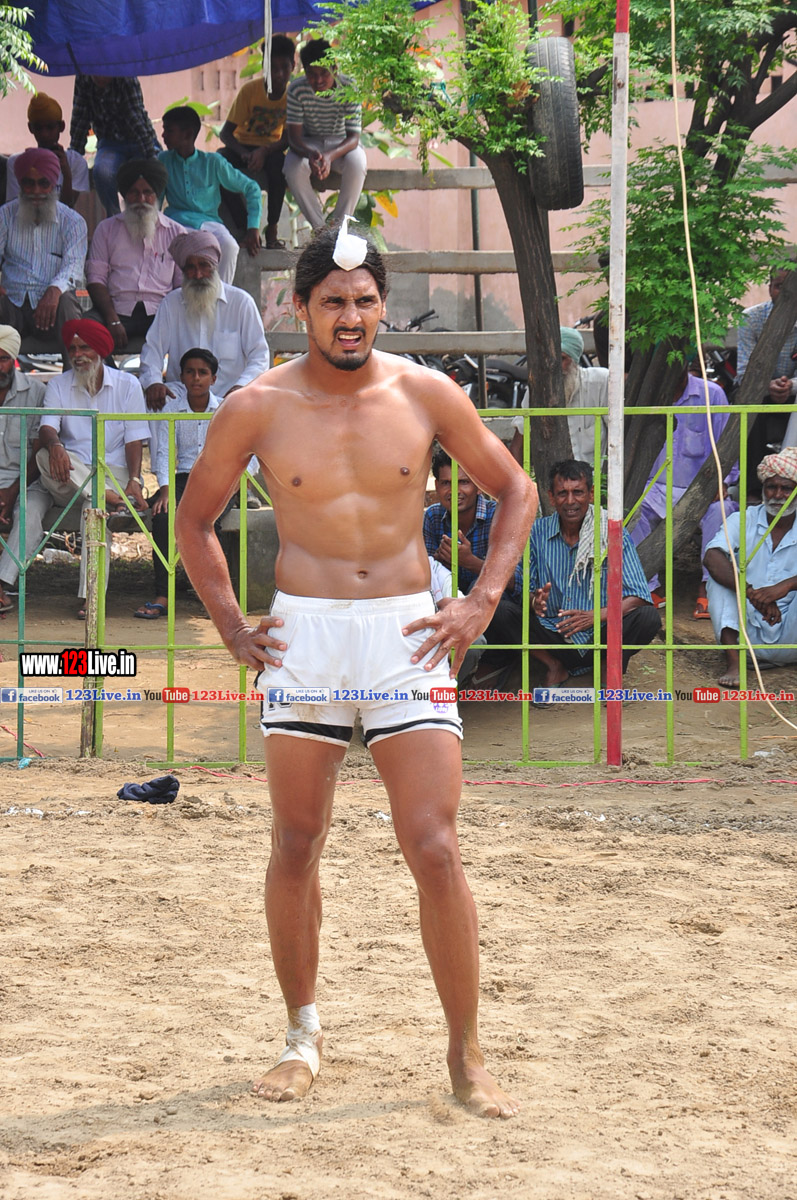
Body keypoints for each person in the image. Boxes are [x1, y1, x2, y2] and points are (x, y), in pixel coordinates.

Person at [174, 225, 537, 1118]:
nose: (350, 316)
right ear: (300, 307)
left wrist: (481, 599)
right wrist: (230, 623)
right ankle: (300, 1038)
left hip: (403, 636)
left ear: (381, 307)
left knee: (435, 845)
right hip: (305, 638)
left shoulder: (426, 392)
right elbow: (193, 519)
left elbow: (515, 489)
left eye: (364, 301)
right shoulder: (256, 405)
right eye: (333, 301)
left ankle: (466, 1053)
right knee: (297, 842)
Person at [37, 319, 147, 618]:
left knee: (93, 506)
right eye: (73, 348)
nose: (78, 354)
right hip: (70, 473)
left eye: (84, 347)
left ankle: (91, 597)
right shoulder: (58, 385)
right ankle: (111, 497)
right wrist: (55, 445)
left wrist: (135, 479)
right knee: (44, 455)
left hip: (114, 472)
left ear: (100, 350)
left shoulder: (128, 385)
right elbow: (47, 427)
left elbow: (135, 439)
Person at [528, 459, 660, 685]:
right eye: (562, 493)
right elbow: (524, 587)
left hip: (601, 636)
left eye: (578, 492)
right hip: (552, 633)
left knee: (648, 617)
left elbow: (639, 596)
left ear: (591, 494)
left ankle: (608, 664)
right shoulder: (537, 532)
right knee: (503, 610)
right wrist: (534, 601)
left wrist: (594, 616)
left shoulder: (611, 531)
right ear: (551, 497)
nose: (570, 501)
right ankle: (553, 665)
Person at [630, 369, 739, 616]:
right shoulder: (647, 392)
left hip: (701, 488)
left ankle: (709, 587)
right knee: (631, 512)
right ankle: (648, 586)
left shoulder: (712, 394)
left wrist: (721, 481)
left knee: (721, 511)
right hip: (653, 488)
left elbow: (728, 445)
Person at [135, 347, 229, 620]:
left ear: (213, 378)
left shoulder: (225, 410)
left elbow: (239, 452)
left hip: (217, 479)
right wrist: (165, 491)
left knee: (209, 521)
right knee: (163, 517)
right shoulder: (172, 408)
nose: (196, 378)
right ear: (182, 376)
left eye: (203, 373)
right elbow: (164, 451)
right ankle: (163, 594)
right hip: (183, 478)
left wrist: (236, 485)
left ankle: (214, 598)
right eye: (190, 372)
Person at [424, 447, 525, 682]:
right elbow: (429, 574)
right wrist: (440, 561)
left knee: (481, 593)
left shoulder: (498, 515)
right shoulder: (433, 517)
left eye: (464, 482)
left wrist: (471, 563)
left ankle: (496, 660)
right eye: (446, 483)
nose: (454, 491)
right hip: (452, 607)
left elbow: (517, 582)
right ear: (437, 486)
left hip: (499, 614)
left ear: (478, 486)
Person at [139, 230, 269, 410]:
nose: (198, 274)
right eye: (190, 267)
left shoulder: (241, 303)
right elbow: (153, 350)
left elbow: (260, 356)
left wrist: (241, 387)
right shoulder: (171, 303)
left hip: (229, 399)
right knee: (155, 402)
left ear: (215, 265)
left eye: (204, 265)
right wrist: (153, 382)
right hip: (182, 399)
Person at [704, 448, 797, 687]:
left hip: (791, 631)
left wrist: (786, 586)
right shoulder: (743, 519)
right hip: (745, 632)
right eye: (771, 487)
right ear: (763, 489)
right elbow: (712, 556)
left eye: (786, 488)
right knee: (718, 578)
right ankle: (734, 663)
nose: (778, 495)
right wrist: (751, 593)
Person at [86, 160, 183, 351]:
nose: (141, 199)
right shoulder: (106, 230)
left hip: (161, 313)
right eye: (134, 192)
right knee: (86, 330)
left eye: (147, 192)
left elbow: (181, 285)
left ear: (156, 195)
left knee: (191, 330)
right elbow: (95, 279)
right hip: (117, 311)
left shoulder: (176, 233)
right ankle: (110, 371)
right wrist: (112, 319)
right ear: (124, 195)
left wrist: (170, 319)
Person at [160, 106, 262, 285]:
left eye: (169, 130)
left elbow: (251, 187)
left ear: (187, 134)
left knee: (230, 246)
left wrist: (253, 227)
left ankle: (220, 296)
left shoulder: (213, 162)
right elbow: (155, 200)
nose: (163, 135)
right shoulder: (163, 160)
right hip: (175, 224)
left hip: (209, 224)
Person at [0, 150, 86, 354]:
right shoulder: (5, 215)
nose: (36, 191)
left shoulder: (73, 222)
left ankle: (75, 372)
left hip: (53, 308)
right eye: (29, 183)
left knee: (67, 302)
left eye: (43, 183)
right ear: (20, 184)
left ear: (54, 184)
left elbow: (74, 267)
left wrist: (54, 291)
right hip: (12, 303)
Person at [219, 35, 296, 249]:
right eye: (272, 68)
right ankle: (246, 227)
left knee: (280, 167)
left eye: (284, 67)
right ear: (264, 66)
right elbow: (225, 134)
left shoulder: (293, 95)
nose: (278, 74)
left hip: (271, 148)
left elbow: (288, 139)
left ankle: (272, 229)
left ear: (293, 65)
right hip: (241, 146)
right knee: (219, 164)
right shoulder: (250, 91)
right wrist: (244, 153)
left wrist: (264, 151)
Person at [283, 39, 367, 231]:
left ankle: (338, 229)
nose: (318, 80)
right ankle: (320, 229)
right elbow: (294, 138)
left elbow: (353, 138)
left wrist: (329, 156)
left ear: (335, 69)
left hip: (341, 144)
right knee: (292, 168)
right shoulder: (297, 89)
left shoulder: (349, 88)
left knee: (358, 162)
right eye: (312, 75)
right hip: (308, 144)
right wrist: (309, 153)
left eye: (324, 73)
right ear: (305, 72)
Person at [0, 325, 51, 613]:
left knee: (29, 513)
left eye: (3, 359)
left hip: (27, 480)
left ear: (14, 359)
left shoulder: (37, 392)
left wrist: (11, 491)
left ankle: (2, 582)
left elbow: (38, 452)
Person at [510, 327, 608, 468]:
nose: (553, 365)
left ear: (574, 361)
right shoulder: (537, 390)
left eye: (561, 358)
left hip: (595, 479)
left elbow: (619, 436)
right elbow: (518, 445)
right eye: (549, 358)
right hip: (552, 480)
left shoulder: (600, 382)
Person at [738, 265, 797, 489]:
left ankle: (791, 475)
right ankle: (751, 487)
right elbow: (743, 373)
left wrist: (790, 386)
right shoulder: (751, 318)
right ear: (770, 288)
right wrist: (767, 386)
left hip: (793, 391)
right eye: (779, 286)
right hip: (759, 389)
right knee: (746, 401)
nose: (786, 293)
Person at [69, 75, 160, 217]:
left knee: (155, 169)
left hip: (139, 139)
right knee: (102, 173)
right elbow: (80, 117)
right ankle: (114, 217)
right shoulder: (83, 78)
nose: (99, 77)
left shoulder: (126, 77)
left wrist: (150, 155)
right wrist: (74, 154)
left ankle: (152, 217)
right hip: (109, 142)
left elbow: (135, 118)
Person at [6, 93, 89, 208]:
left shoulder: (76, 162)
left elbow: (68, 209)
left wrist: (66, 174)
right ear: (30, 128)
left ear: (61, 127)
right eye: (38, 128)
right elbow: (15, 208)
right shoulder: (16, 163)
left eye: (50, 127)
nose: (44, 134)